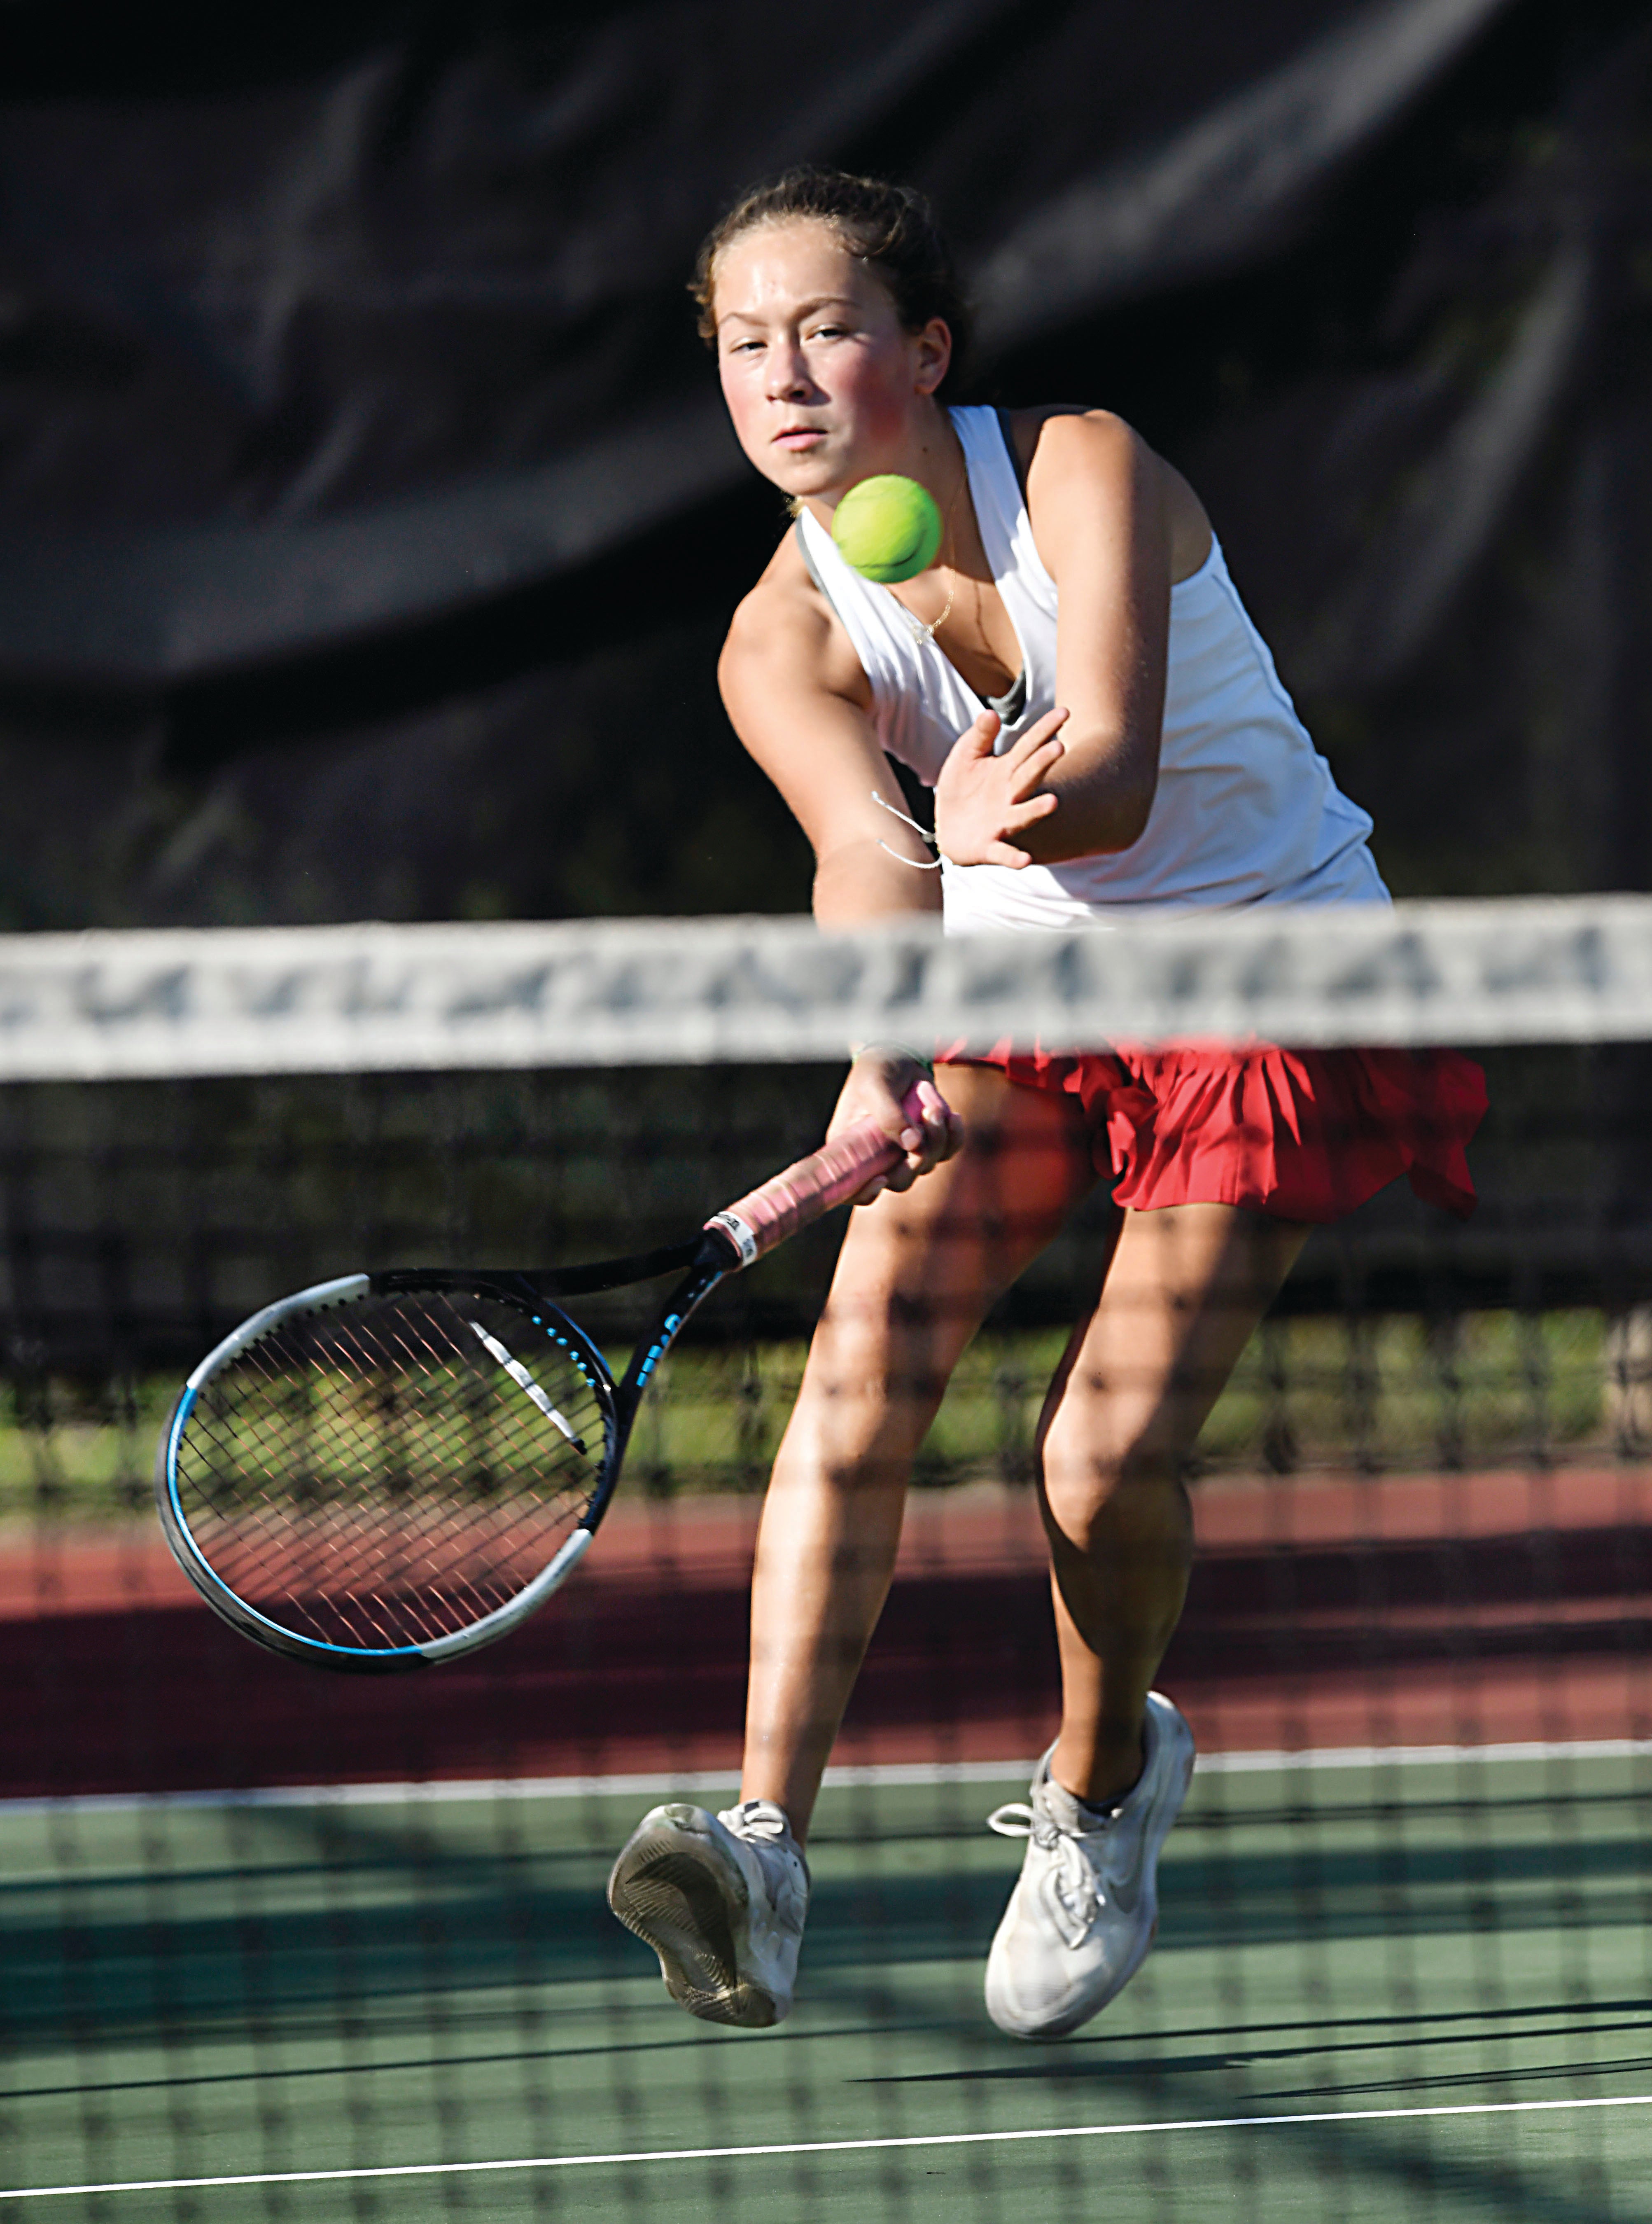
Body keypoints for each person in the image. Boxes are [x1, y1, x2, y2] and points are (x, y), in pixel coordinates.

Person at [605, 168, 1486, 2041]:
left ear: (922, 351)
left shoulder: (1081, 464)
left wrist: (986, 825)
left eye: (827, 329)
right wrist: (881, 1046)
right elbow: (867, 855)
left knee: (1093, 1461)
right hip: (1032, 997)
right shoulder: (781, 636)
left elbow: (1114, 770)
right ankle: (760, 1848)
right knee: (859, 1371)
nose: (785, 377)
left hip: (1270, 969)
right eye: (745, 346)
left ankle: (1100, 1791)